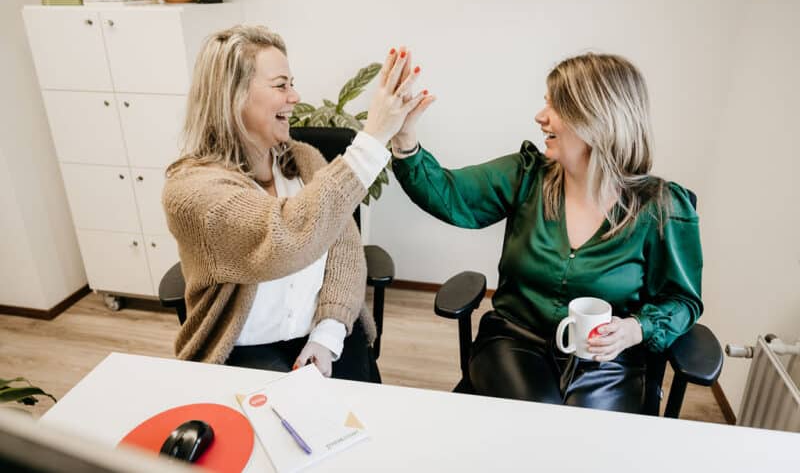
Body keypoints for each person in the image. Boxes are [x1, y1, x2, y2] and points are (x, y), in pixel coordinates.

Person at [389, 53, 703, 412]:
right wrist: (404, 136)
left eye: (555, 106)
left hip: (607, 363)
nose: (540, 117)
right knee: (538, 417)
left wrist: (635, 329)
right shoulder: (526, 176)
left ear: (596, 118)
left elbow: (682, 300)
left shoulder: (661, 206)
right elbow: (448, 194)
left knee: (589, 441)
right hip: (514, 342)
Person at [162, 25, 434, 382]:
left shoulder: (305, 159)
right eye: (281, 85)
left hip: (322, 330)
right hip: (242, 348)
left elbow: (345, 249)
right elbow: (286, 236)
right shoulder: (191, 191)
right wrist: (373, 139)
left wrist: (328, 334)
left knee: (363, 413)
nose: (295, 96)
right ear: (233, 95)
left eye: (292, 83)